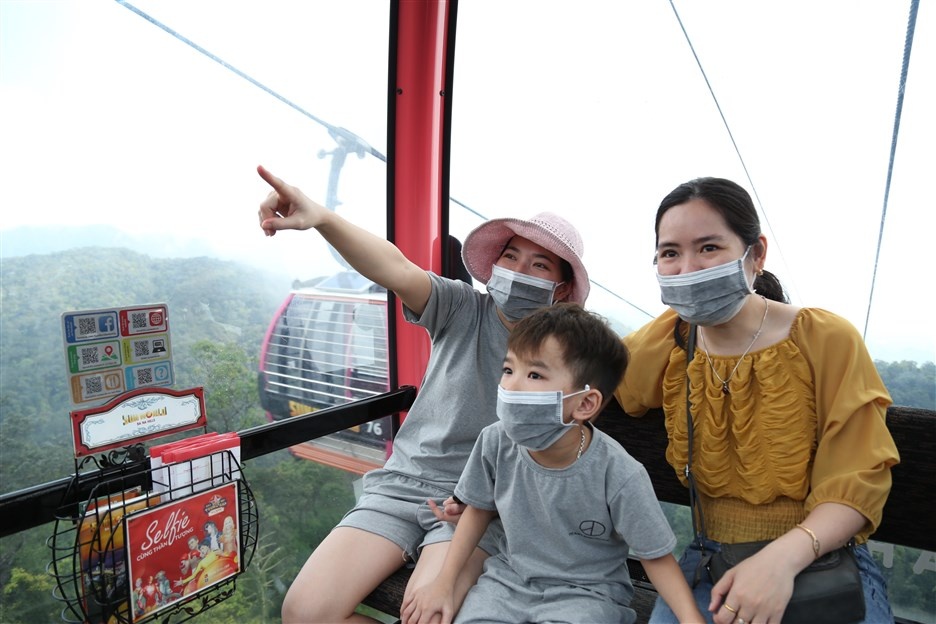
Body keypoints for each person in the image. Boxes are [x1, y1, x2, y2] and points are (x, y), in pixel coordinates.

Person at [256, 165, 591, 624]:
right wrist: (322, 219)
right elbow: (394, 267)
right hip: (402, 484)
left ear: (562, 286)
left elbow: (560, 454)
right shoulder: (461, 307)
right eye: (511, 257)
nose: (519, 271)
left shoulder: (568, 359)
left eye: (539, 265)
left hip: (476, 505)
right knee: (303, 612)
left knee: (427, 615)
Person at [614, 177, 900, 624]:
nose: (688, 268)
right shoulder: (671, 340)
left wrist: (781, 561)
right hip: (711, 559)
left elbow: (857, 475)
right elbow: (593, 372)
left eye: (709, 248)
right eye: (670, 253)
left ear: (756, 254)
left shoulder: (823, 338)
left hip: (818, 557)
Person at [400, 303, 704, 624]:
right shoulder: (495, 440)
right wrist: (444, 584)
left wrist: (689, 618)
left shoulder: (618, 473)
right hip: (507, 582)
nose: (511, 386)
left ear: (585, 403)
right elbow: (476, 510)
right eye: (508, 370)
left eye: (534, 374)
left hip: (587, 595)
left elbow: (654, 556)